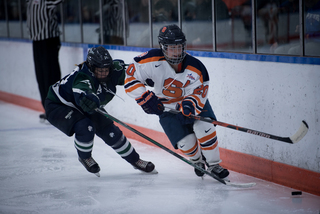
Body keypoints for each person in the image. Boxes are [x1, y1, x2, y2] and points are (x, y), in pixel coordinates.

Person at [124, 24, 229, 180]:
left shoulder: (197, 67)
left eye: (179, 47)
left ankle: (214, 165)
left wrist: (190, 104)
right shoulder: (150, 60)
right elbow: (130, 78)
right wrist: (145, 96)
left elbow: (200, 92)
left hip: (193, 105)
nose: (176, 51)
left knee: (205, 127)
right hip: (166, 109)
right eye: (171, 48)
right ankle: (197, 161)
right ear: (163, 47)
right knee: (186, 143)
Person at [45, 46, 156, 177]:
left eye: (106, 69)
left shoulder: (113, 69)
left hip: (82, 104)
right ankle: (85, 157)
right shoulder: (82, 77)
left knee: (111, 131)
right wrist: (89, 99)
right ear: (91, 67)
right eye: (100, 70)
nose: (104, 73)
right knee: (85, 126)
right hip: (57, 105)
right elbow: (82, 92)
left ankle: (135, 160)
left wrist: (145, 78)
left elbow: (132, 73)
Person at [26, 0, 62, 121]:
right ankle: (48, 109)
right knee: (41, 77)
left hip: (48, 40)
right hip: (36, 41)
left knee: (51, 76)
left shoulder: (46, 1)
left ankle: (56, 110)